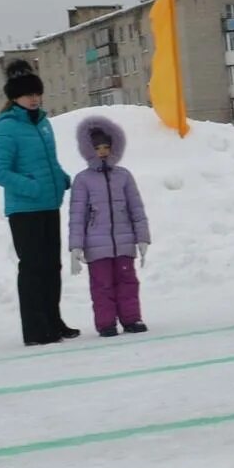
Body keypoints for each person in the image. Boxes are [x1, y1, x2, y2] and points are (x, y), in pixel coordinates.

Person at [0, 61, 77, 346]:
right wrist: (34, 187)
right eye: (28, 94)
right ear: (14, 96)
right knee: (33, 268)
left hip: (49, 205)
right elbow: (0, 172)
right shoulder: (7, 127)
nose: (34, 98)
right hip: (25, 210)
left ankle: (53, 320)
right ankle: (35, 329)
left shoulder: (43, 122)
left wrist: (61, 177)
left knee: (52, 266)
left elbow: (48, 161)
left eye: (37, 92)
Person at [68, 115, 151, 336]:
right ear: (89, 149)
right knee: (102, 285)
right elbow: (77, 215)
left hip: (123, 243)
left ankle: (132, 319)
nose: (102, 151)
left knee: (127, 282)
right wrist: (76, 246)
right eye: (97, 147)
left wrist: (141, 237)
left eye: (106, 146)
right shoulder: (83, 180)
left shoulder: (123, 176)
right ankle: (106, 323)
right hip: (96, 246)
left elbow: (136, 209)